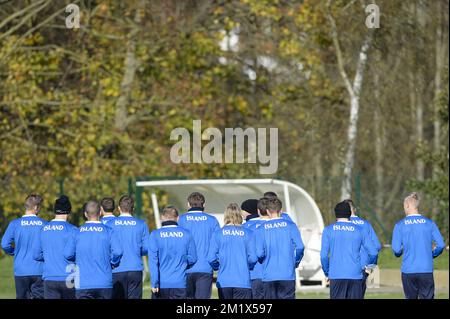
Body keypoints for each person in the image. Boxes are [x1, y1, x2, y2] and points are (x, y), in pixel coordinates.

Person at [64, 200, 122, 299]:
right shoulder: (109, 231)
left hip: (83, 283)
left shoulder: (76, 232)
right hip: (104, 282)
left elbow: (67, 254)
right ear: (100, 212)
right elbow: (118, 252)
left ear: (85, 214)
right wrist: (112, 263)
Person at [320, 201, 378, 299]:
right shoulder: (360, 230)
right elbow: (374, 252)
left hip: (336, 275)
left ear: (336, 214)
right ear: (350, 213)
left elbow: (324, 256)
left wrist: (327, 273)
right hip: (355, 275)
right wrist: (369, 268)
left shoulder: (328, 230)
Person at [391, 192, 445, 299]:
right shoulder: (430, 223)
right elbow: (441, 245)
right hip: (426, 270)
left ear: (407, 205)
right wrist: (432, 254)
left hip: (408, 271)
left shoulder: (400, 225)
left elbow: (396, 250)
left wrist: (401, 251)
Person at [256, 197, 304, 299]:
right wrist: (295, 262)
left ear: (268, 211)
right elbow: (300, 247)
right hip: (287, 274)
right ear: (281, 211)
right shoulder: (291, 226)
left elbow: (259, 253)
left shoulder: (261, 229)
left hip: (269, 275)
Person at [208, 203, 257, 299]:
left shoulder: (217, 234)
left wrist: (217, 266)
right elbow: (253, 258)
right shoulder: (249, 233)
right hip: (242, 281)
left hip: (224, 281)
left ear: (226, 215)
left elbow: (211, 258)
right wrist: (247, 266)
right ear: (240, 215)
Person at [1, 194, 46, 299]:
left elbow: (4, 244)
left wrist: (14, 252)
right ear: (35, 207)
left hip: (20, 270)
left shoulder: (14, 224)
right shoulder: (44, 224)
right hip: (39, 270)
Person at [34, 195, 78, 299]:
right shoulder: (73, 230)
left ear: (54, 210)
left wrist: (50, 257)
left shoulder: (43, 229)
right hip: (69, 278)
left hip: (49, 277)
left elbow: (36, 255)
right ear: (69, 210)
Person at [148, 206, 197, 299]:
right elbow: (193, 258)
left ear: (162, 217)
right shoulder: (187, 234)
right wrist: (182, 261)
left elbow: (153, 261)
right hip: (180, 283)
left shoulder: (155, 234)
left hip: (162, 284)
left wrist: (154, 283)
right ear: (178, 218)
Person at [178, 192, 220, 299]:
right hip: (205, 268)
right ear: (204, 205)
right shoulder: (212, 220)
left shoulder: (181, 220)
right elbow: (218, 244)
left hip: (185, 268)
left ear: (188, 204)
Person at [108, 195, 149, 299]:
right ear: (133, 209)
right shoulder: (141, 224)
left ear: (119, 208)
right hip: (135, 268)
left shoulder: (110, 224)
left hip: (116, 269)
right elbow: (146, 248)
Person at [345, 199, 382, 297]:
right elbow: (377, 246)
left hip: (346, 267)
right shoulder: (366, 224)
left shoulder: (342, 225)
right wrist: (370, 265)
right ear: (354, 209)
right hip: (363, 268)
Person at [242, 197, 270, 299]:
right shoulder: (269, 224)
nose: (241, 213)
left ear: (249, 211)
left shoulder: (244, 228)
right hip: (270, 274)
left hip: (253, 273)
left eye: (243, 210)